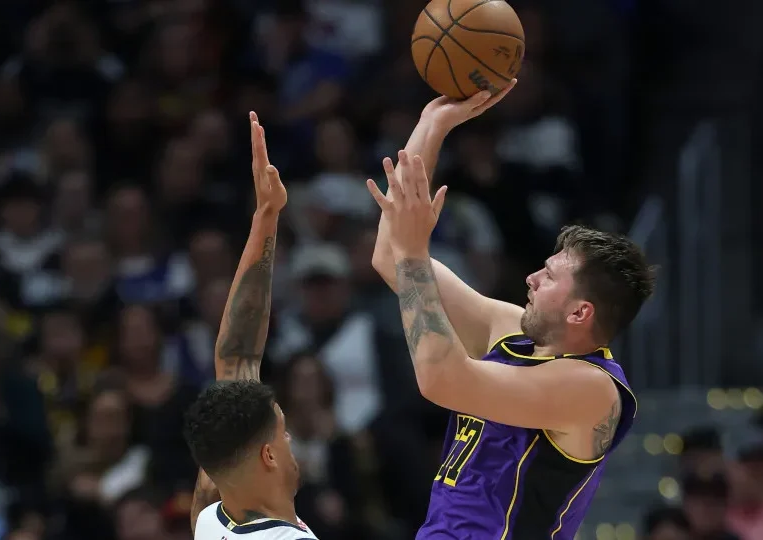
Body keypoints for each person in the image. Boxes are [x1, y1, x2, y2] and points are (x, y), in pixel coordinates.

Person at [369, 82, 655, 538]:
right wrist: (432, 126)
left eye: (549, 276)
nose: (531, 278)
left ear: (580, 313)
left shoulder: (592, 390)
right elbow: (391, 258)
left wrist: (413, 251)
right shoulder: (510, 331)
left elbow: (441, 379)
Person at [185, 112, 317, 539]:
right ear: (268, 456)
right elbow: (235, 359)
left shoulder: (213, 518)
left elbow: (238, 357)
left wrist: (266, 215)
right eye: (282, 434)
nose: (289, 439)